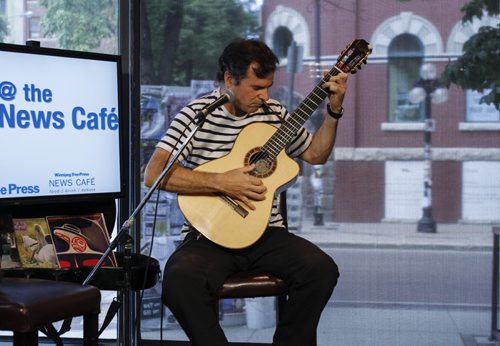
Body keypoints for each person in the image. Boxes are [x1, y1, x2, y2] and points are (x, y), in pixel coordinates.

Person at [144, 38, 347, 346]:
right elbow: (154, 174)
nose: (264, 96)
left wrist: (333, 111)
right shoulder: (196, 115)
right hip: (208, 235)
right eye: (255, 87)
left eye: (268, 86)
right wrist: (222, 182)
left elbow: (316, 154)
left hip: (266, 234)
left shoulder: (275, 113)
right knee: (179, 280)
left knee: (320, 270)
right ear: (229, 79)